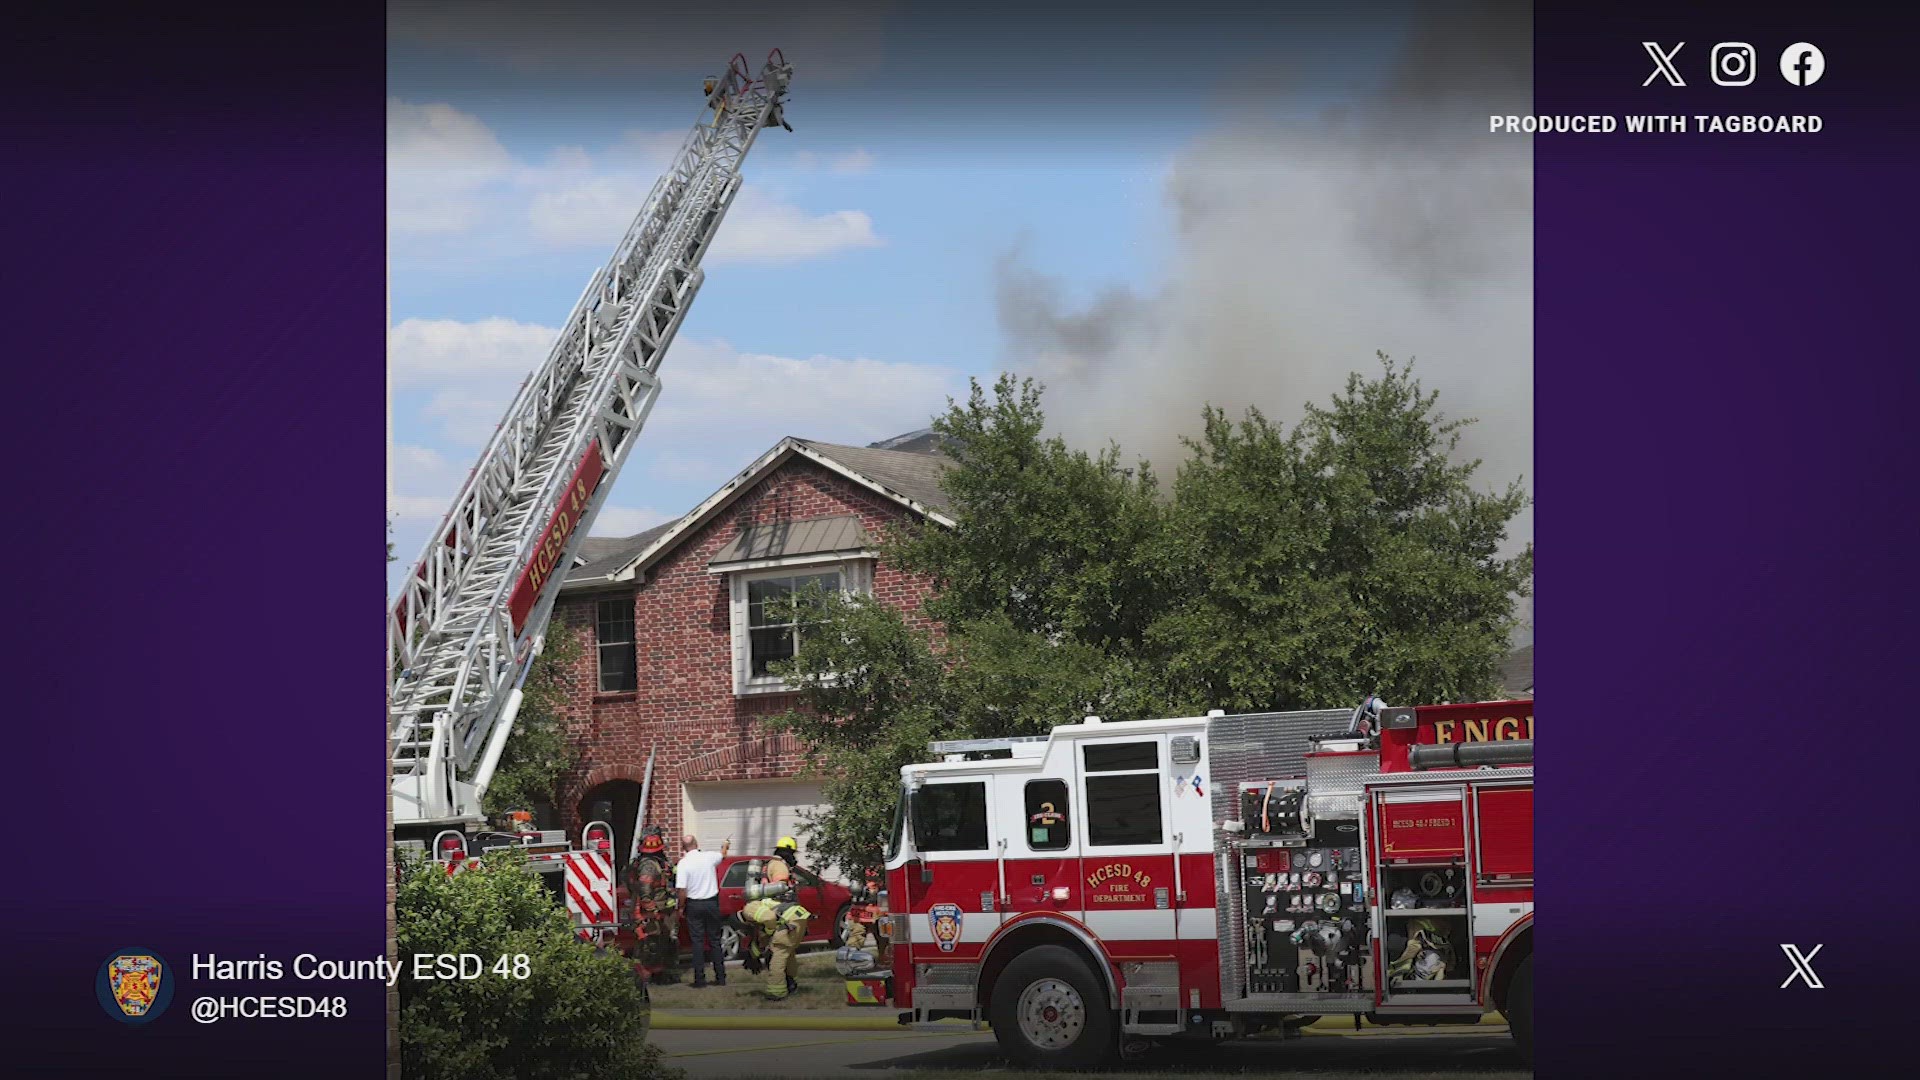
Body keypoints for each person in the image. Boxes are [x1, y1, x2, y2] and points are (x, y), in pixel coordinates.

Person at [675, 833, 730, 988]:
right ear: (697, 844)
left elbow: (681, 890)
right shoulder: (709, 857)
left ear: (683, 847)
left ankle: (700, 979)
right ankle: (720, 977)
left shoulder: (683, 864)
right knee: (715, 941)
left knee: (697, 942)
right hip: (711, 902)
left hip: (694, 905)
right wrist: (725, 845)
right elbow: (723, 855)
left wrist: (680, 907)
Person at [628, 830, 680, 985]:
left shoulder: (654, 862)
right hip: (649, 913)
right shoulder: (648, 865)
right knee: (650, 946)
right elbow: (645, 890)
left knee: (661, 943)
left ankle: (660, 975)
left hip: (659, 909)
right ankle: (646, 977)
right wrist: (652, 911)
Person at [737, 895, 811, 999]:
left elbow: (770, 918)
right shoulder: (761, 907)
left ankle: (777, 992)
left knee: (777, 959)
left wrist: (769, 931)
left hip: (789, 921)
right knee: (788, 953)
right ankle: (791, 984)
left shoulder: (749, 909)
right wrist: (753, 955)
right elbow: (763, 940)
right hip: (798, 917)